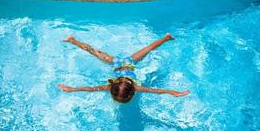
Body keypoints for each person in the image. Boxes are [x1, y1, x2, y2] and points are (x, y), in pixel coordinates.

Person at [58, 33, 190, 103]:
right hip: (118, 63)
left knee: (93, 51)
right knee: (93, 52)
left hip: (128, 63)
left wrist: (171, 92)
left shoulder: (135, 87)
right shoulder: (111, 86)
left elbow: (156, 90)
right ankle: (73, 40)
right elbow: (90, 89)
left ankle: (166, 38)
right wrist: (71, 89)